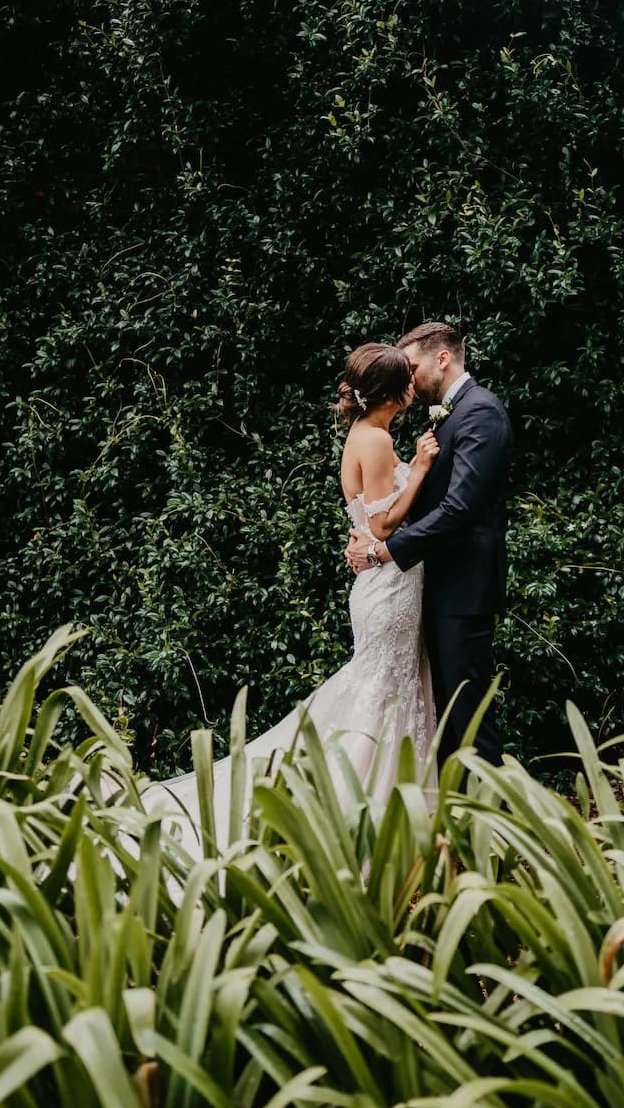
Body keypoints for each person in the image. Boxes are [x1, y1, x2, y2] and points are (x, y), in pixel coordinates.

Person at [142, 342, 439, 852]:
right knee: (383, 689)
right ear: (393, 393)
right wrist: (422, 469)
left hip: (384, 581)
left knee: (389, 686)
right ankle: (359, 805)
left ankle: (388, 799)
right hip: (388, 584)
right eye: (406, 380)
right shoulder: (378, 442)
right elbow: (382, 522)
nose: (415, 387)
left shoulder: (365, 434)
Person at [346, 322, 513, 768]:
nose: (409, 379)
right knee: (444, 723)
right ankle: (452, 825)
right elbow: (409, 503)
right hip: (427, 588)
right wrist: (367, 529)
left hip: (462, 589)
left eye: (413, 367)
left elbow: (459, 509)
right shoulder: (445, 414)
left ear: (443, 358)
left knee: (471, 721)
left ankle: (493, 831)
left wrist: (384, 549)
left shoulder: (481, 411)